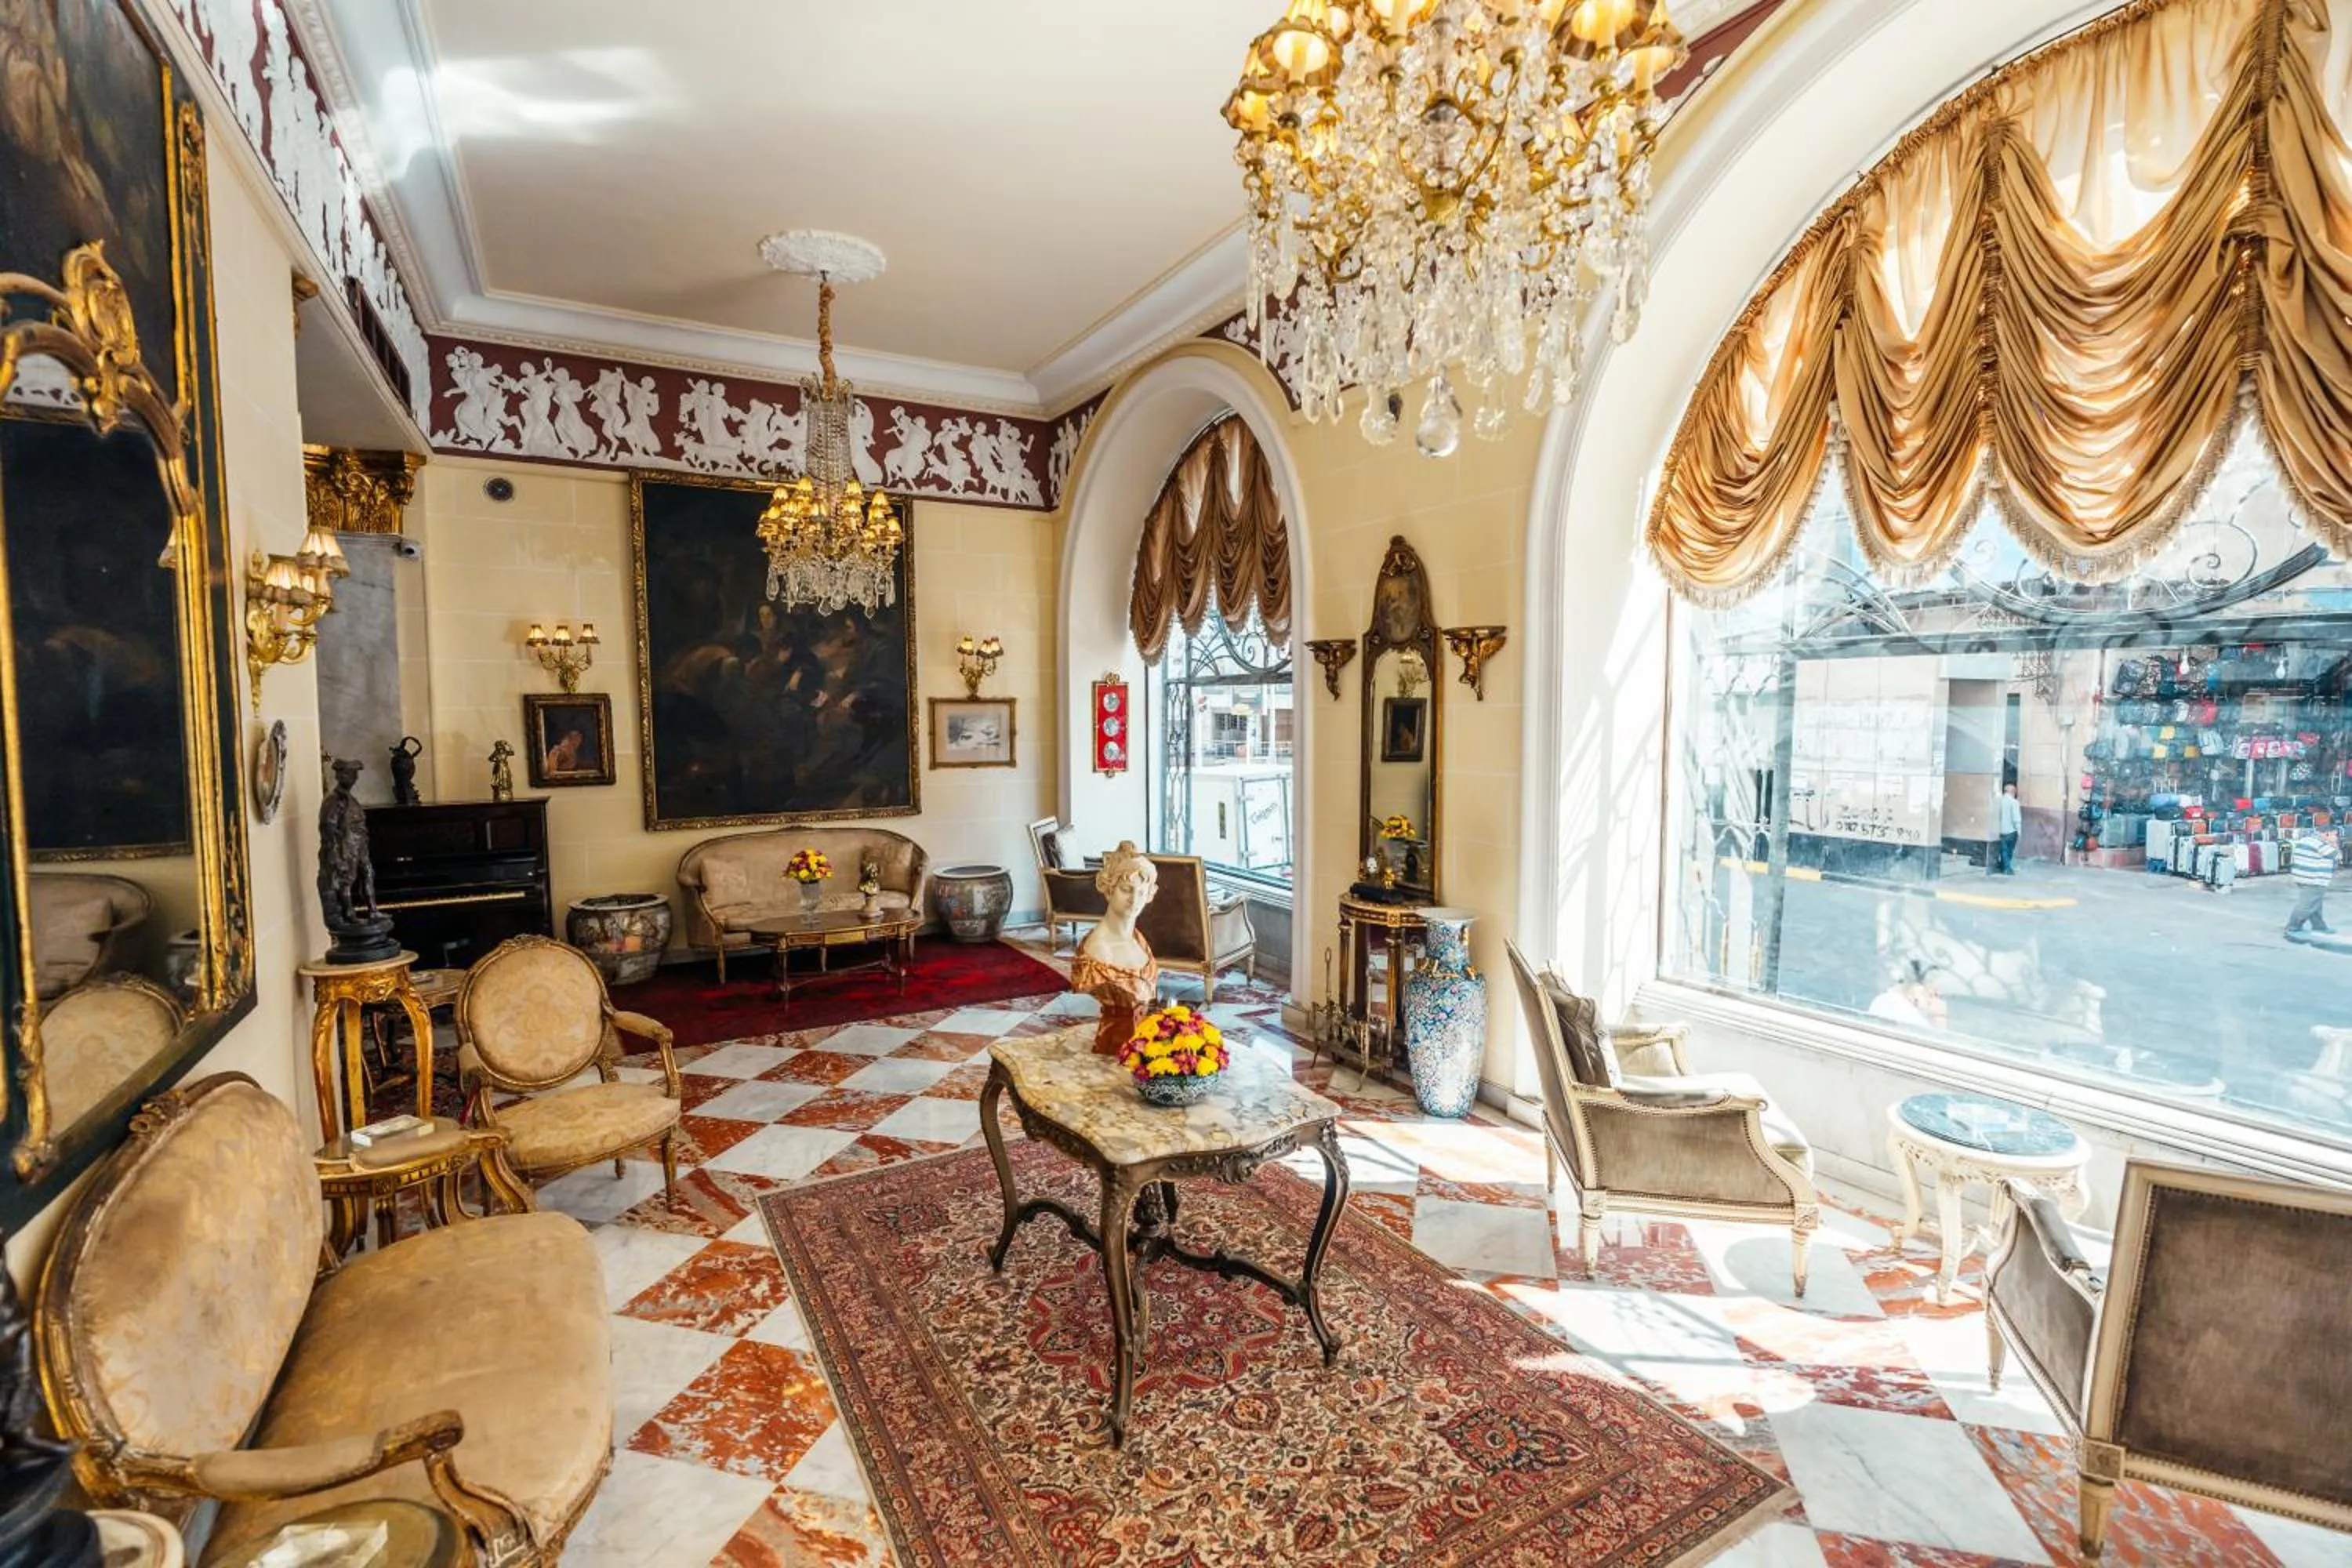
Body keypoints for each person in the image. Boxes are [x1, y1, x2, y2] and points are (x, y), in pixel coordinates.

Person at [2286, 825, 2338, 937]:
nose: (2336, 837)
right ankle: (2293, 927)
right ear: (2326, 834)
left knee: (2315, 904)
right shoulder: (2321, 845)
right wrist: (2333, 844)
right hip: (2314, 879)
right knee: (2307, 905)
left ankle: (2319, 926)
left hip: (2302, 877)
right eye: (2334, 835)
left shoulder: (2306, 840)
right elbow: (2336, 855)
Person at [1995, 782, 2022, 875]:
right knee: (2009, 851)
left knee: (2003, 850)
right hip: (2011, 831)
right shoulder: (2014, 802)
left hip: (2001, 830)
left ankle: (2004, 867)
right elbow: (2016, 818)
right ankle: (2007, 868)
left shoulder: (1999, 801)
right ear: (2013, 792)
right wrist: (2019, 831)